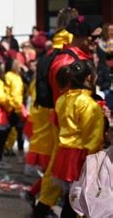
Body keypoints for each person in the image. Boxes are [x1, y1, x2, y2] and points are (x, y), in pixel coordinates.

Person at [33, 18, 96, 217]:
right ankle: (42, 207)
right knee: (63, 175)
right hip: (73, 134)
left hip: (76, 132)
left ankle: (42, 205)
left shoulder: (79, 55)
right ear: (80, 36)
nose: (96, 41)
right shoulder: (67, 60)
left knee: (67, 178)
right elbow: (66, 102)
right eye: (93, 37)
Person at [51, 60, 104, 217]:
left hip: (64, 154)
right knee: (78, 202)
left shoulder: (62, 99)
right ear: (89, 78)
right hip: (80, 157)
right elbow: (93, 138)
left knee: (71, 199)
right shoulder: (88, 104)